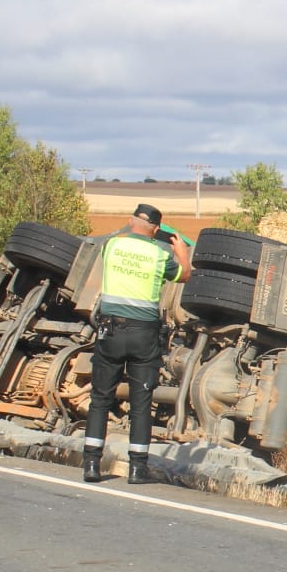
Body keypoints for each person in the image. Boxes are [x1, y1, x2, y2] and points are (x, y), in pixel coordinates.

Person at [83, 203, 192, 483]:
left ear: (131, 221)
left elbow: (124, 237)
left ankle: (92, 465)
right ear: (156, 230)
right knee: (141, 402)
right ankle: (136, 469)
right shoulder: (159, 255)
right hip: (144, 336)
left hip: (111, 332)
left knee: (100, 398)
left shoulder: (111, 246)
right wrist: (181, 252)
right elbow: (184, 275)